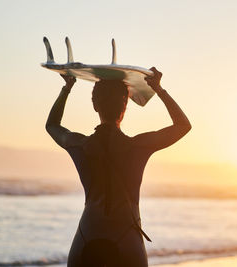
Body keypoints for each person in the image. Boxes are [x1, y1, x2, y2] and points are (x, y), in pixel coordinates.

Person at [45, 67, 191, 267]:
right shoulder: (138, 146)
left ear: (95, 105)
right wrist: (158, 89)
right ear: (125, 105)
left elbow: (52, 125)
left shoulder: (78, 144)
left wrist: (67, 88)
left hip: (86, 237)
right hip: (127, 242)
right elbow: (183, 125)